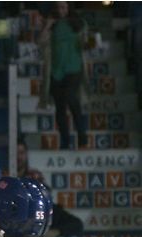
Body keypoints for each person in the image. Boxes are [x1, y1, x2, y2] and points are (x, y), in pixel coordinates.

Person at [41, 1, 89, 149]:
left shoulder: (79, 23)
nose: (61, 10)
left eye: (63, 7)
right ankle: (65, 141)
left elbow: (85, 43)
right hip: (56, 71)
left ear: (69, 8)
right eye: (58, 7)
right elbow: (40, 42)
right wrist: (48, 25)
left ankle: (82, 138)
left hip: (74, 68)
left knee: (71, 98)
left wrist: (89, 43)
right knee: (60, 108)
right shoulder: (51, 24)